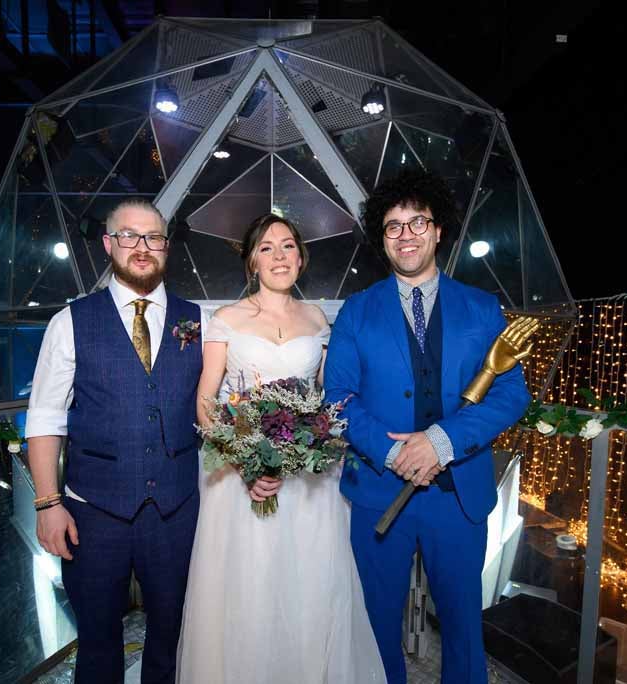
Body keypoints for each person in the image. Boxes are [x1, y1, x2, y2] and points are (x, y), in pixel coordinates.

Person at [324, 168, 532, 684]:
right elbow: (338, 398)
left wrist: (442, 441)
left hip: (458, 497)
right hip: (378, 491)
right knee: (375, 628)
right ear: (382, 239)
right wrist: (395, 454)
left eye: (418, 222)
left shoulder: (482, 308)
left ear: (438, 231)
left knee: (463, 627)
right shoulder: (357, 311)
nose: (406, 235)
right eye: (393, 226)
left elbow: (511, 393)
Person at [176, 214, 386, 683]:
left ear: (301, 257)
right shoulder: (225, 320)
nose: (279, 256)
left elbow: (324, 399)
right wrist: (247, 462)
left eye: (288, 246)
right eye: (267, 248)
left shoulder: (317, 318)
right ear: (252, 259)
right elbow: (207, 401)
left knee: (309, 585)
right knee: (249, 586)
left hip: (309, 479)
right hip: (238, 479)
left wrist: (309, 443)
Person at [26, 198, 203, 684]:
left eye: (153, 237)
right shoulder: (70, 321)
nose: (141, 248)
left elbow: (216, 409)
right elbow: (44, 418)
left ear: (167, 246)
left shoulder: (199, 322)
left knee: (171, 636)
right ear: (109, 244)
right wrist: (47, 503)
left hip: (176, 511)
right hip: (93, 513)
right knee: (99, 643)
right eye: (128, 236)